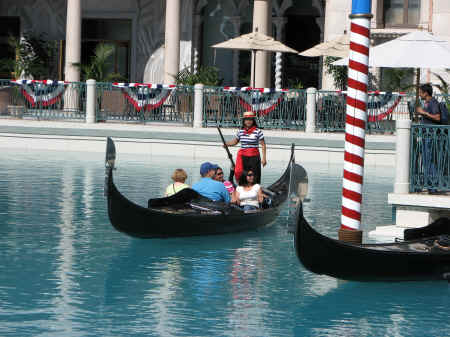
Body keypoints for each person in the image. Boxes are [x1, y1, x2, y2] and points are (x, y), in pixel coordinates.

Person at [224, 111, 266, 184]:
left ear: (253, 120)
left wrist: (264, 158)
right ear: (244, 121)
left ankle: (255, 190)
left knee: (255, 175)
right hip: (243, 157)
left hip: (254, 157)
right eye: (247, 119)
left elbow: (263, 145)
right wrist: (227, 144)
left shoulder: (258, 131)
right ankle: (243, 189)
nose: (248, 121)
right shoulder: (240, 132)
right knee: (244, 175)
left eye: (250, 119)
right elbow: (235, 142)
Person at [416, 84, 441, 194]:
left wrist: (423, 112)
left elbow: (437, 117)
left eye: (420, 92)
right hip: (426, 136)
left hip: (430, 136)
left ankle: (433, 186)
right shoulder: (427, 103)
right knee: (426, 160)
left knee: (430, 160)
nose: (419, 94)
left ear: (426, 93)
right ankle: (429, 185)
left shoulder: (433, 102)